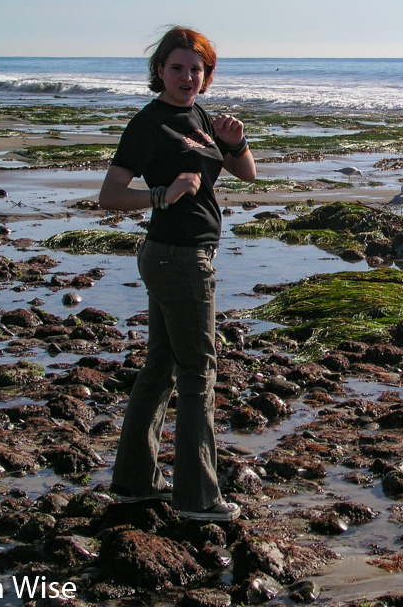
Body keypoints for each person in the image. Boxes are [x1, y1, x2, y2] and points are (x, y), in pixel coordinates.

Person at [99, 26, 256, 521]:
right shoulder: (148, 125)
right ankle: (198, 499)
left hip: (184, 257)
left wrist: (235, 143)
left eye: (197, 68)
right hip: (177, 258)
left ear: (207, 75)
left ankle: (134, 483)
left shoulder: (202, 115)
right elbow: (110, 196)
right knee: (198, 376)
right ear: (159, 71)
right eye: (177, 68)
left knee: (161, 370)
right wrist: (163, 194)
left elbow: (247, 174)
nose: (188, 76)